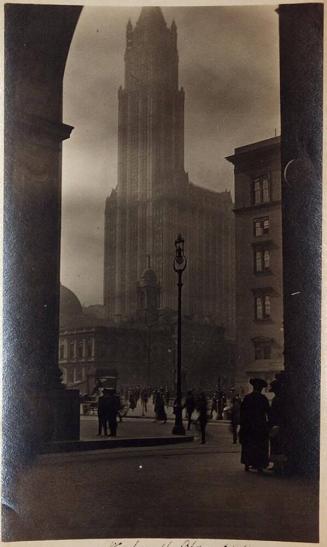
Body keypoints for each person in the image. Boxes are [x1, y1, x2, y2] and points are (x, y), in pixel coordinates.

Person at [239, 378, 270, 472]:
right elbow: (268, 412)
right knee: (260, 445)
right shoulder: (263, 399)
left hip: (248, 425)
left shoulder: (247, 398)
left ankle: (247, 464)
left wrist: (242, 424)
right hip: (260, 425)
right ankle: (259, 465)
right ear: (261, 388)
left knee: (248, 445)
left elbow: (242, 412)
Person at [269, 372, 288, 473]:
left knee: (278, 445)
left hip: (278, 424)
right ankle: (278, 465)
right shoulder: (280, 398)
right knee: (278, 445)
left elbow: (277, 413)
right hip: (279, 424)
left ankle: (279, 466)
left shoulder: (278, 399)